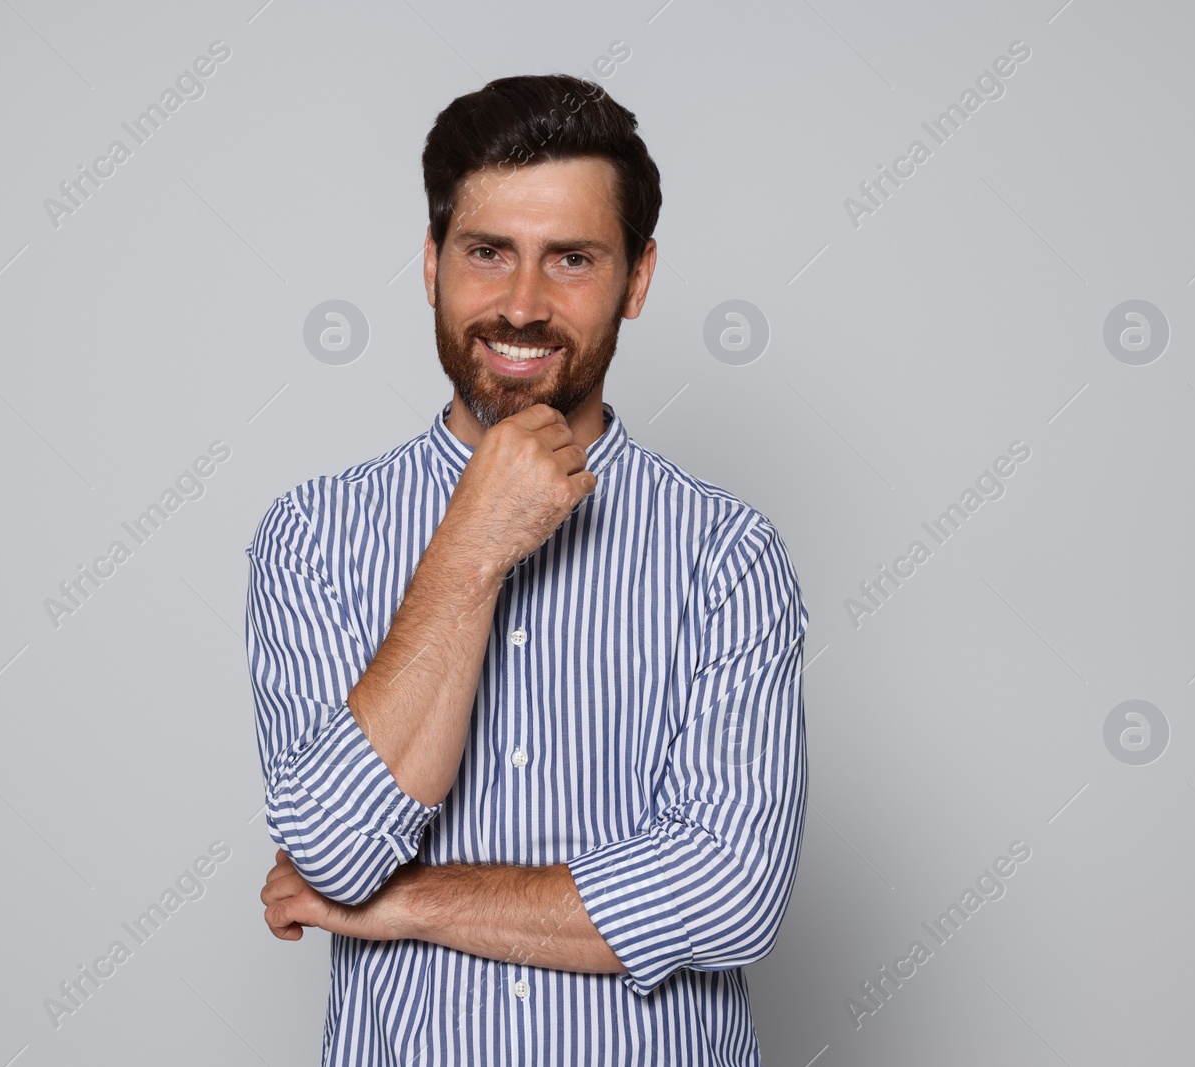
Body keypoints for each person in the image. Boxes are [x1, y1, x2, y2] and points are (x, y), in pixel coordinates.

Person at [246, 72, 809, 1066]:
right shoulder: (313, 537)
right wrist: (470, 542)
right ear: (430, 264)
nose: (521, 304)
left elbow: (727, 895)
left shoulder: (727, 553)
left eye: (573, 260)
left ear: (636, 279)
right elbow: (334, 848)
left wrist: (415, 900)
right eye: (487, 252)